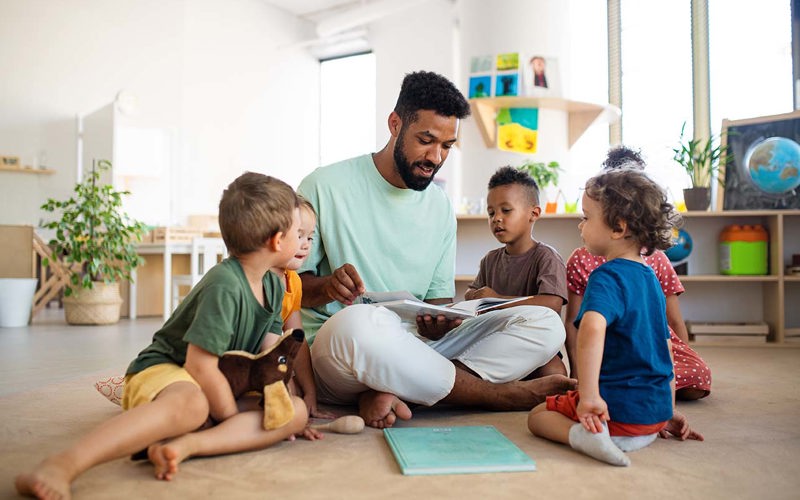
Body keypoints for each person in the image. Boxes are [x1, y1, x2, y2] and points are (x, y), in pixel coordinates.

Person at [297, 70, 574, 430]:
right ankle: (498, 395)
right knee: (359, 323)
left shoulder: (440, 206)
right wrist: (328, 286)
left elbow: (439, 303)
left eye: (447, 146)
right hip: (343, 349)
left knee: (546, 323)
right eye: (426, 140)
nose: (436, 156)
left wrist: (441, 324)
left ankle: (396, 390)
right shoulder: (324, 185)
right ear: (394, 124)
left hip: (416, 348)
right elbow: (286, 288)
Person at [16, 173, 309, 498]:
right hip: (169, 369)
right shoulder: (225, 285)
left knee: (294, 412)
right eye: (299, 233)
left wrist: (279, 398)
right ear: (278, 240)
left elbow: (269, 356)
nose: (304, 241)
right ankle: (63, 464)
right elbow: (199, 367)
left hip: (221, 380)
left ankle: (189, 444)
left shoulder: (273, 283)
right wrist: (228, 416)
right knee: (194, 404)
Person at [527, 168, 703, 467]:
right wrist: (665, 410)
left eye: (586, 217)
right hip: (652, 417)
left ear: (618, 228)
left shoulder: (605, 276)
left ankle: (584, 437)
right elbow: (666, 348)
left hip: (614, 415)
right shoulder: (650, 279)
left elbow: (592, 329)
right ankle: (637, 428)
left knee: (538, 416)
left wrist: (590, 396)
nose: (580, 225)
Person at [564, 146, 712, 400]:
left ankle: (634, 386)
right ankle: (640, 387)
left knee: (699, 377)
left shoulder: (652, 263)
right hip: (612, 347)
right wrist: (579, 376)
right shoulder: (584, 261)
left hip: (646, 344)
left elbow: (671, 325)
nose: (581, 224)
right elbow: (577, 323)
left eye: (586, 218)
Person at [465, 166, 568, 377]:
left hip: (532, 342)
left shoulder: (546, 257)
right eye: (491, 212)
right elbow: (471, 295)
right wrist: (475, 296)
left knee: (555, 374)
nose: (496, 219)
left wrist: (497, 300)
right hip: (494, 340)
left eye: (506, 210)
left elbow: (552, 303)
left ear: (534, 213)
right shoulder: (490, 259)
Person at [265, 197, 334, 420]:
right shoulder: (261, 279)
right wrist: (290, 384)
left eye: (310, 237)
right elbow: (266, 346)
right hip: (248, 363)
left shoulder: (292, 280)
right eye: (299, 235)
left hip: (270, 360)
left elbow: (297, 340)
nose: (306, 244)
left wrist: (310, 392)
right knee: (290, 406)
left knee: (297, 404)